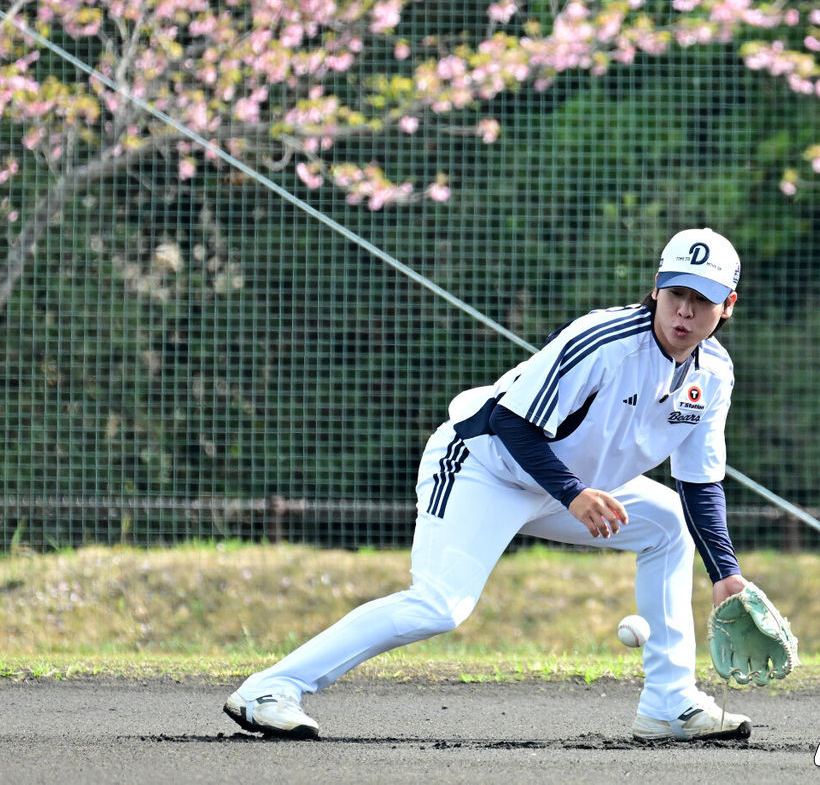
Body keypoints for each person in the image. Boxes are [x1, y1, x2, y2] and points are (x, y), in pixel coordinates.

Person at [225, 226, 753, 743]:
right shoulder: (604, 341)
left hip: (565, 488)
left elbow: (700, 483)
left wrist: (725, 574)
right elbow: (510, 422)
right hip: (484, 464)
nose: (684, 311)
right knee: (439, 606)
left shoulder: (715, 375)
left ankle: (669, 702)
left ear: (726, 306)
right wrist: (573, 494)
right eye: (677, 292)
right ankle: (270, 689)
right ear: (657, 289)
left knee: (668, 525)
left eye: (701, 299)